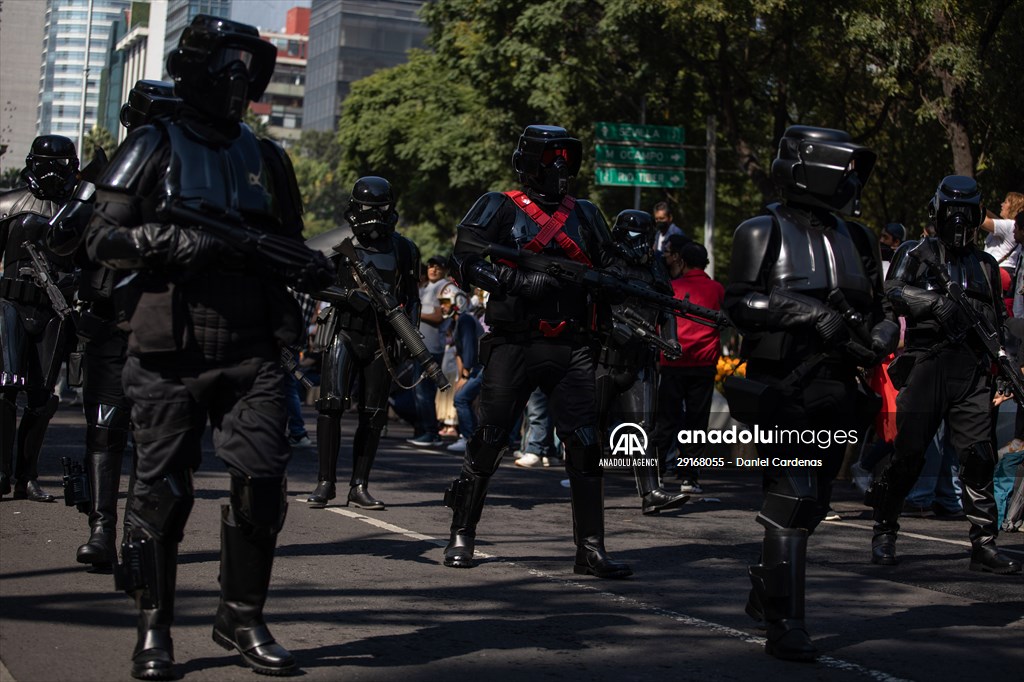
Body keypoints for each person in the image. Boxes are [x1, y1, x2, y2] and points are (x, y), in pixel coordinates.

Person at [84, 15, 332, 678]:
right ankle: (152, 625)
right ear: (194, 69)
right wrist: (160, 243)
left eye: (249, 71)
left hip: (252, 347)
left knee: (262, 488)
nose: (239, 81)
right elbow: (97, 238)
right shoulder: (153, 143)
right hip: (171, 343)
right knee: (161, 490)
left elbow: (289, 242)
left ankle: (242, 616)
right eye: (227, 66)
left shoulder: (268, 157)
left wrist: (311, 271)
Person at [724, 126, 898, 660]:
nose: (851, 180)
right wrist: (803, 312)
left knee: (815, 502)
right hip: (784, 383)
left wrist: (881, 337)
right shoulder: (761, 230)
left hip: (839, 385)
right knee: (794, 496)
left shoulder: (859, 237)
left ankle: (767, 592)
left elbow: (884, 306)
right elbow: (739, 304)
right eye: (842, 168)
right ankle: (787, 626)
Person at [443, 124, 632, 578]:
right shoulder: (499, 205)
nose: (561, 168)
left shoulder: (586, 214)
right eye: (552, 158)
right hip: (514, 342)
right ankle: (461, 535)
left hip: (572, 345)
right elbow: (462, 258)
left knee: (586, 445)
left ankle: (590, 549)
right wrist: (512, 279)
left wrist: (626, 275)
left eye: (567, 157)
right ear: (529, 162)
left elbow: (612, 268)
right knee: (489, 439)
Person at [46, 80, 180, 566]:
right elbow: (60, 239)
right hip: (107, 324)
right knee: (105, 429)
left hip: (164, 326)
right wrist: (90, 194)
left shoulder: (185, 183)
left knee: (154, 436)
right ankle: (102, 529)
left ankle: (134, 535)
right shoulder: (103, 178)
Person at [866, 175, 1021, 576]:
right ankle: (884, 530)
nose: (957, 220)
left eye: (965, 212)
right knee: (909, 455)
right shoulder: (916, 253)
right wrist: (933, 304)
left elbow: (998, 321)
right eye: (950, 211)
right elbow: (892, 293)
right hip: (926, 363)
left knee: (978, 456)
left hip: (970, 369)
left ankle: (984, 542)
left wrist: (1005, 362)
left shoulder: (985, 264)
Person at [306, 176, 421, 511]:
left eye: (380, 209)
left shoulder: (403, 248)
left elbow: (410, 298)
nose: (375, 216)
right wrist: (345, 296)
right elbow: (306, 277)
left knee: (373, 414)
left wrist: (408, 336)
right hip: (344, 329)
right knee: (331, 404)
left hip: (383, 339)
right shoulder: (337, 242)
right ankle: (325, 482)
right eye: (369, 209)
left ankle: (359, 485)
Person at [1, 134, 80, 503]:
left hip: (54, 311)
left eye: (63, 165)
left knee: (42, 398)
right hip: (10, 306)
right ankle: (2, 473)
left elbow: (93, 261)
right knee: (4, 391)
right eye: (49, 164)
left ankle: (26, 476)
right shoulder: (9, 204)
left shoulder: (79, 211)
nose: (55, 173)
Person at [595, 209, 688, 515]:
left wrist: (671, 340)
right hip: (604, 356)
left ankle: (651, 492)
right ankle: (586, 486)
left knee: (643, 426)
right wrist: (610, 326)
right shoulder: (606, 259)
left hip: (641, 357)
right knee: (590, 424)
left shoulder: (655, 266)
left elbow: (668, 308)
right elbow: (590, 299)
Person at [654, 237, 725, 495]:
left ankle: (657, 474)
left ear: (681, 261)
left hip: (673, 362)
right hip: (703, 364)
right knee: (697, 424)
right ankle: (690, 477)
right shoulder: (717, 289)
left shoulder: (671, 287)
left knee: (666, 421)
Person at [407, 255, 449, 446]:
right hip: (420, 347)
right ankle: (424, 430)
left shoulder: (445, 288)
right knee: (419, 391)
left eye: (438, 267)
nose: (433, 269)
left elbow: (440, 316)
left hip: (431, 348)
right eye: (431, 266)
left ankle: (431, 433)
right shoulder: (425, 288)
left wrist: (416, 314)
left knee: (425, 391)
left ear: (445, 270)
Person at [441, 281, 483, 453]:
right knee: (462, 397)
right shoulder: (458, 322)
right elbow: (459, 352)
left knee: (461, 399)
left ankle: (469, 438)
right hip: (476, 369)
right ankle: (472, 438)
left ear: (456, 302)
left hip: (481, 368)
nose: (442, 307)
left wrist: (465, 377)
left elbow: (469, 349)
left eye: (445, 303)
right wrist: (461, 378)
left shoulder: (465, 320)